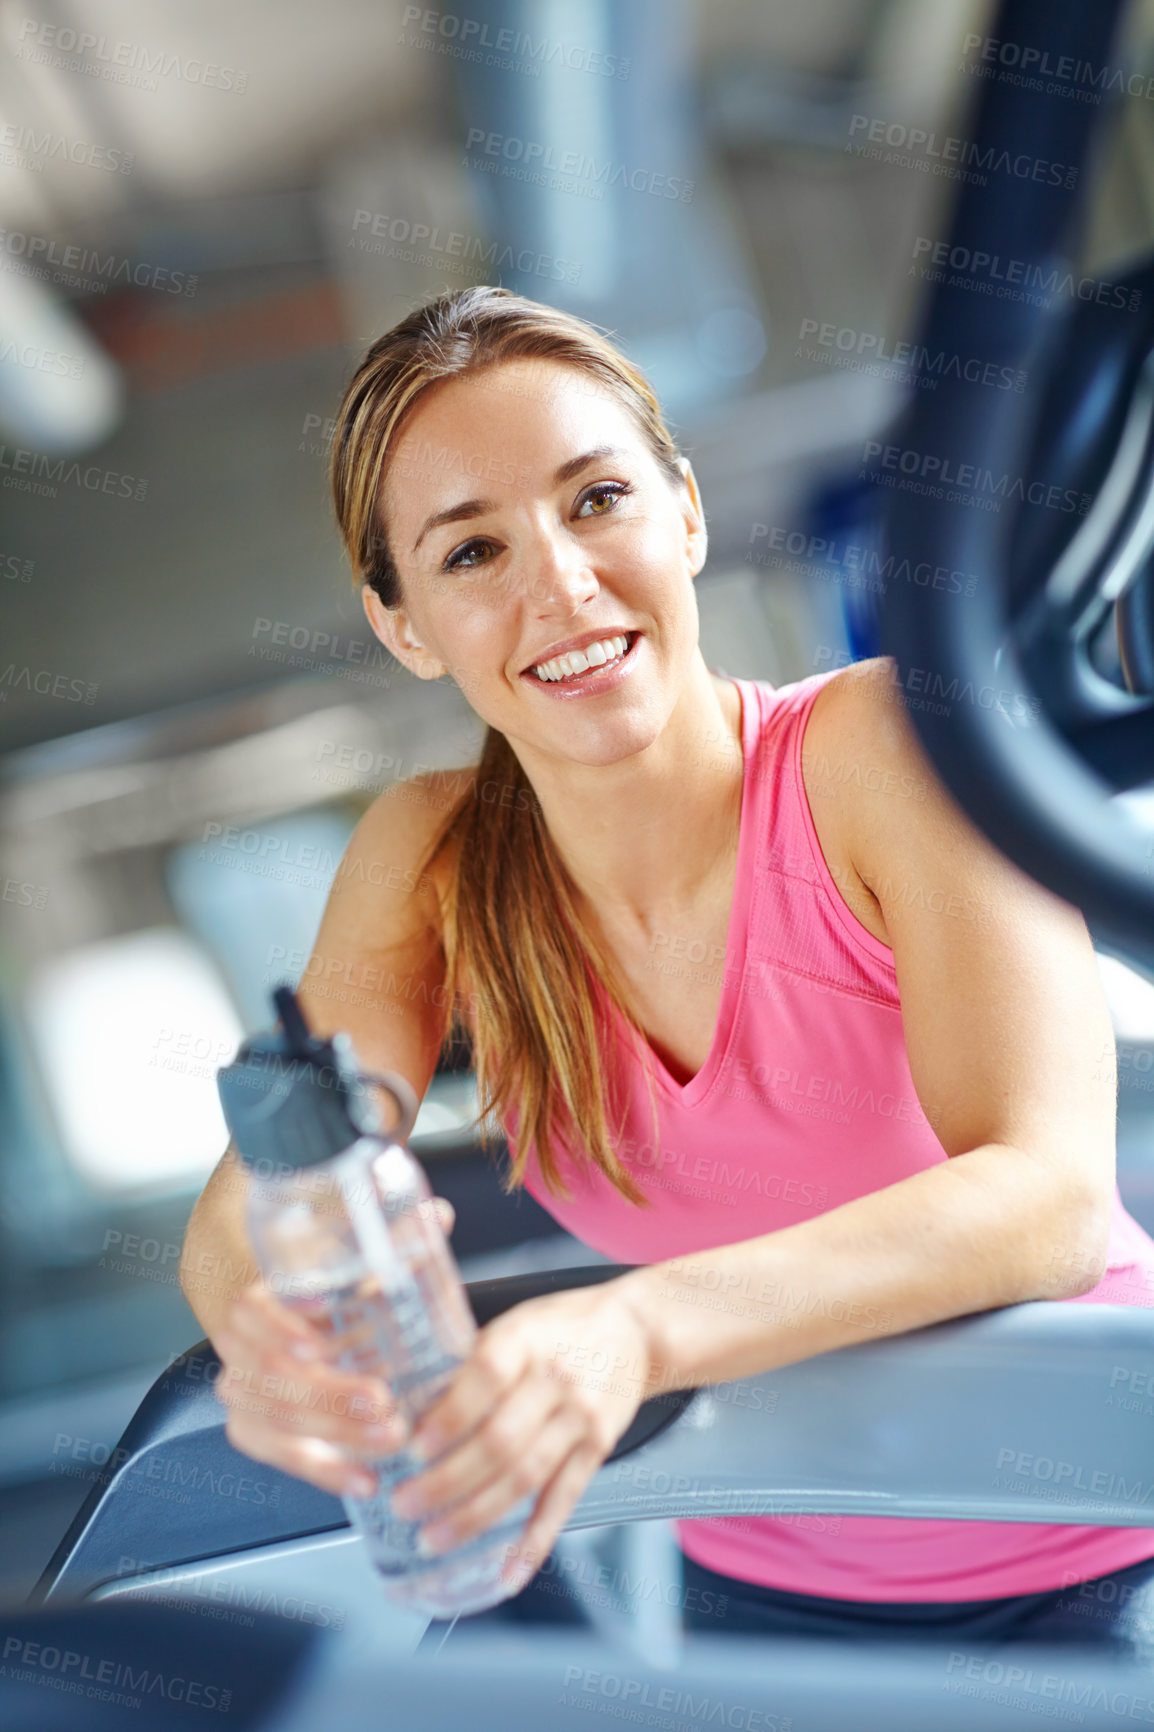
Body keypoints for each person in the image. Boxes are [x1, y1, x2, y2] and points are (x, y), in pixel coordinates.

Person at [180, 283, 1154, 1654]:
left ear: (683, 512)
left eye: (595, 501)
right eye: (470, 554)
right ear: (404, 626)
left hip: (1103, 1536)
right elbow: (267, 1193)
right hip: (758, 1576)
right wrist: (276, 1332)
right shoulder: (433, 861)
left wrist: (629, 1333)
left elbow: (1043, 1206)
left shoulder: (877, 749)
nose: (561, 586)